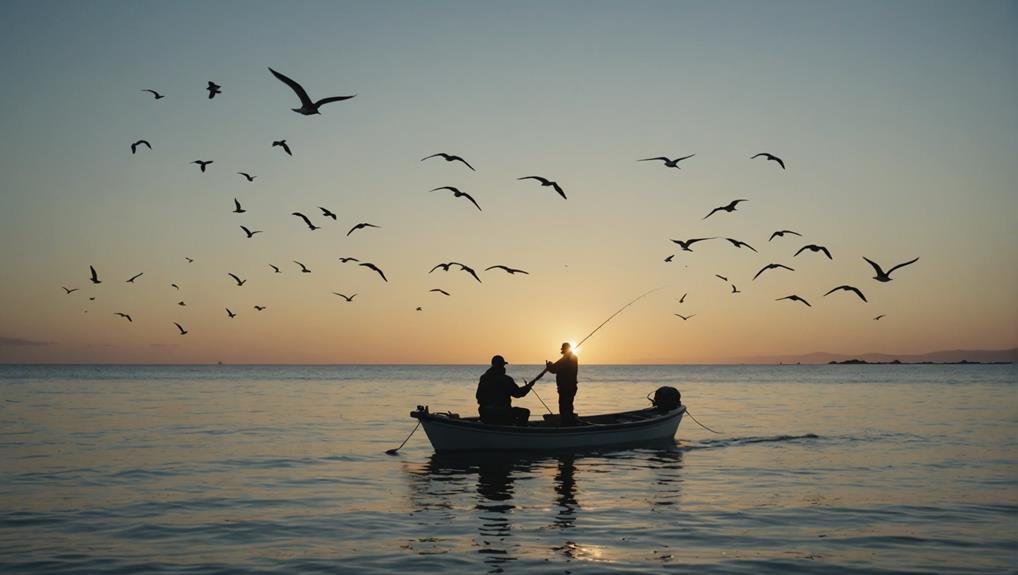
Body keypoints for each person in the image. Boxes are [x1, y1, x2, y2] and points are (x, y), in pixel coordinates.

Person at [476, 355, 535, 426]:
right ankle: (516, 432)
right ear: (501, 365)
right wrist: (528, 387)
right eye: (503, 365)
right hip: (501, 414)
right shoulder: (505, 379)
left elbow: (478, 396)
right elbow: (518, 393)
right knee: (525, 412)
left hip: (485, 414)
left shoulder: (483, 378)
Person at [546, 342, 579, 426]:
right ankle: (569, 422)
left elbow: (554, 369)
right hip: (570, 387)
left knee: (564, 407)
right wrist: (551, 366)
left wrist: (549, 366)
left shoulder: (566, 360)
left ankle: (566, 424)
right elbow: (555, 367)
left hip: (566, 388)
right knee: (568, 406)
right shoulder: (572, 358)